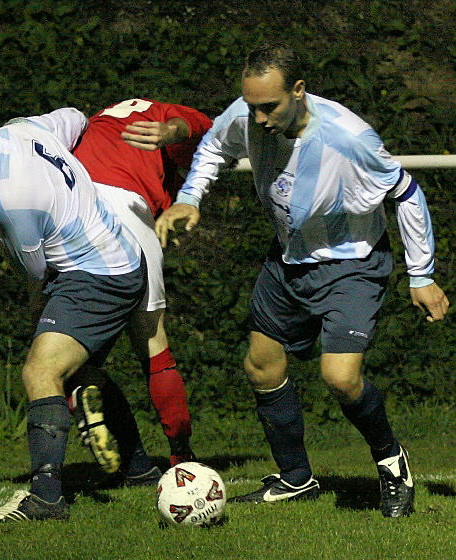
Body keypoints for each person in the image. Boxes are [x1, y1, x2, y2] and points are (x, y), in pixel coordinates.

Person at [155, 43, 450, 518]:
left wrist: (421, 275)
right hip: (288, 260)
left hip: (350, 263)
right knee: (262, 366)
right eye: (252, 107)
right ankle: (296, 479)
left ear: (298, 90)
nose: (259, 118)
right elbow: (213, 144)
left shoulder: (349, 138)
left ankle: (392, 462)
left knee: (340, 377)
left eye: (269, 107)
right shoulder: (248, 113)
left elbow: (407, 193)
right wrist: (191, 197)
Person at [0, 108, 155, 521]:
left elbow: (35, 274)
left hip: (97, 275)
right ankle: (138, 468)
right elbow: (77, 118)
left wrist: (39, 320)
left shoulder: (8, 198)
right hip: (121, 253)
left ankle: (47, 497)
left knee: (40, 371)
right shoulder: (24, 128)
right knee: (78, 370)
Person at [70, 99, 212, 475]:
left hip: (71, 209)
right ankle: (182, 457)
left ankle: (81, 390)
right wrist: (172, 131)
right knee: (152, 342)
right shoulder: (163, 115)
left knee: (66, 342)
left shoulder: (92, 124)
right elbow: (197, 126)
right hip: (126, 206)